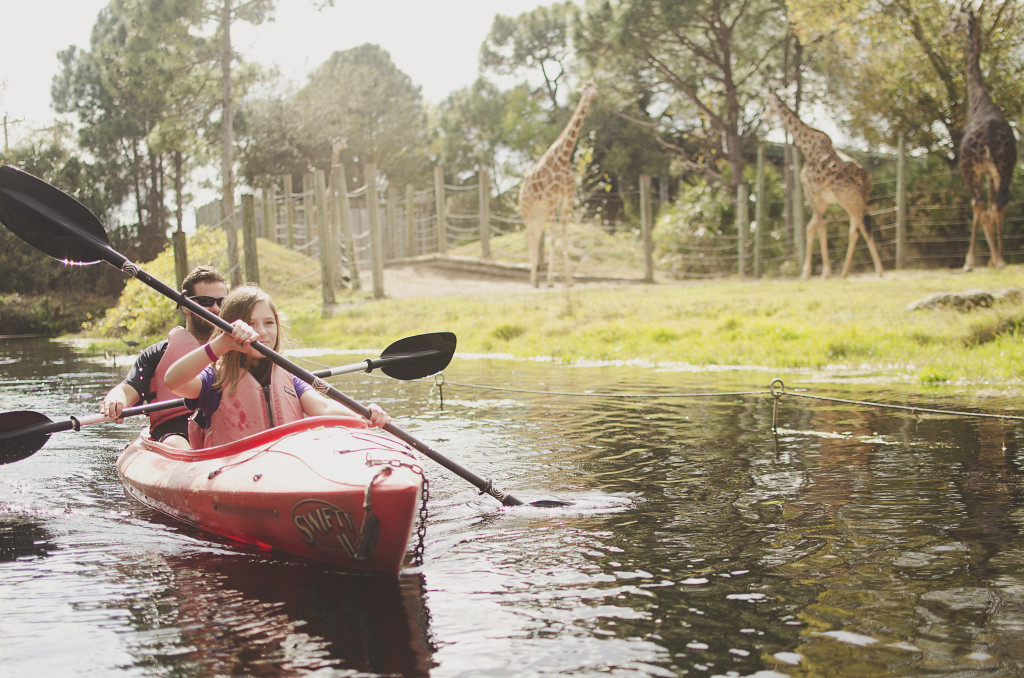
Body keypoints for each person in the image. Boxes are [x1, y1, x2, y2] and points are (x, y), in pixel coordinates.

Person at [164, 284, 390, 448]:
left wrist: (363, 415)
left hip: (285, 464)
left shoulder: (290, 377)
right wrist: (221, 344)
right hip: (233, 471)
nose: (262, 332)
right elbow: (173, 381)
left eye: (269, 323)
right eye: (251, 324)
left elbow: (324, 409)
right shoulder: (215, 379)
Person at [99, 266, 229, 449]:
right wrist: (116, 399)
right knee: (176, 443)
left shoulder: (239, 350)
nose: (215, 308)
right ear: (186, 306)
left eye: (222, 302)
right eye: (206, 301)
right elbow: (127, 389)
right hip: (175, 434)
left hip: (228, 428)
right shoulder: (158, 353)